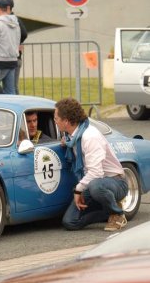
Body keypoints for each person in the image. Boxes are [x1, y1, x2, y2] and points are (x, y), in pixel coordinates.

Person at [54, 98, 128, 232]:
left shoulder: (90, 136)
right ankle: (107, 212)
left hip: (115, 182)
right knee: (70, 222)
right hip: (93, 184)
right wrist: (66, 142)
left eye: (56, 118)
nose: (55, 121)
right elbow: (71, 143)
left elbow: (96, 173)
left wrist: (78, 189)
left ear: (66, 121)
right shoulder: (72, 136)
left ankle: (117, 214)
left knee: (95, 185)